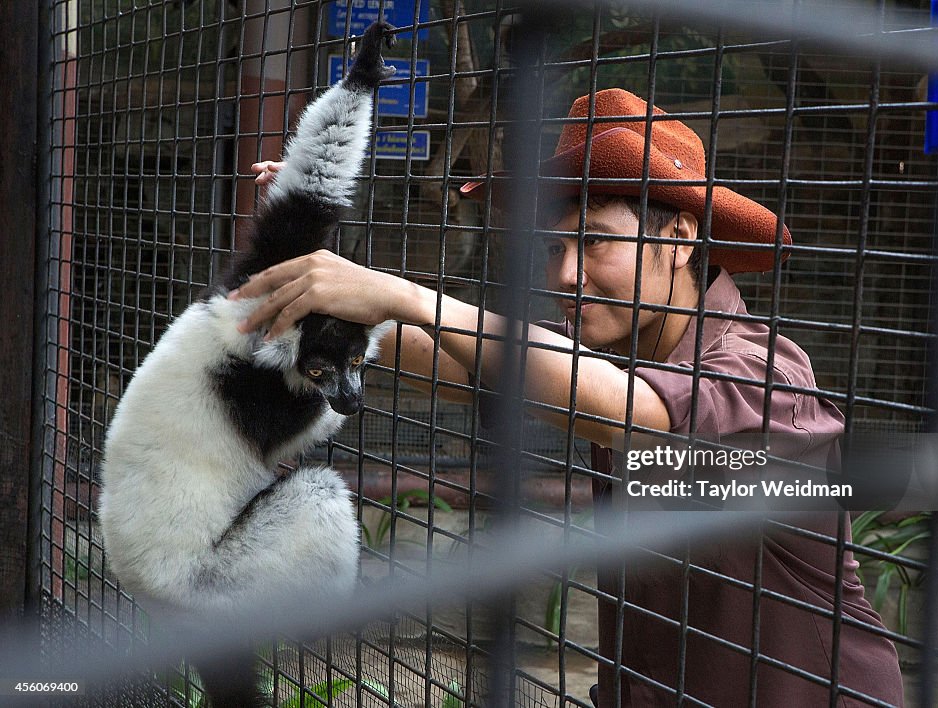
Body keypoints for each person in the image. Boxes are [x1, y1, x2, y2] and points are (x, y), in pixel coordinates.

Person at [235, 89, 904, 706]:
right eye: (552, 246)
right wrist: (308, 271)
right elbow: (447, 357)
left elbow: (633, 412)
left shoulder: (761, 373)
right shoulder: (605, 353)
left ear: (678, 238)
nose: (564, 274)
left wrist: (409, 296)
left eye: (594, 242)